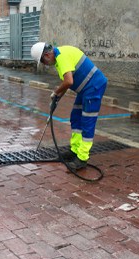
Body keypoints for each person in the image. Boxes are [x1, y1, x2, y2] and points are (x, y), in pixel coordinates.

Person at [31, 42, 107, 170]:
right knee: (75, 117)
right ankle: (75, 150)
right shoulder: (59, 58)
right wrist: (57, 98)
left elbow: (68, 81)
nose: (44, 65)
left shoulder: (61, 57)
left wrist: (55, 92)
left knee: (87, 121)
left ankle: (82, 158)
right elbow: (67, 83)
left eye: (43, 61)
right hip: (85, 89)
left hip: (94, 86)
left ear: (47, 54)